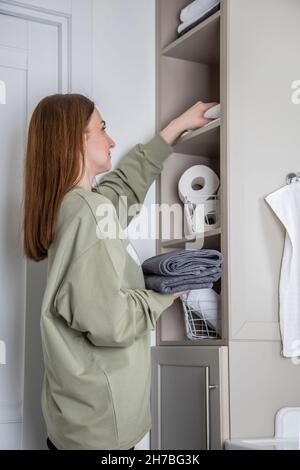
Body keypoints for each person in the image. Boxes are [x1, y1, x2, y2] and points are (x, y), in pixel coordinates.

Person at [22, 94, 216, 450]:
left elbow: (122, 189)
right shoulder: (89, 211)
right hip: (100, 428)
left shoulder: (72, 205)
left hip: (76, 418)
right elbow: (110, 322)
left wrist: (176, 127)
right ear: (75, 139)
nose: (111, 140)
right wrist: (163, 295)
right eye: (102, 129)